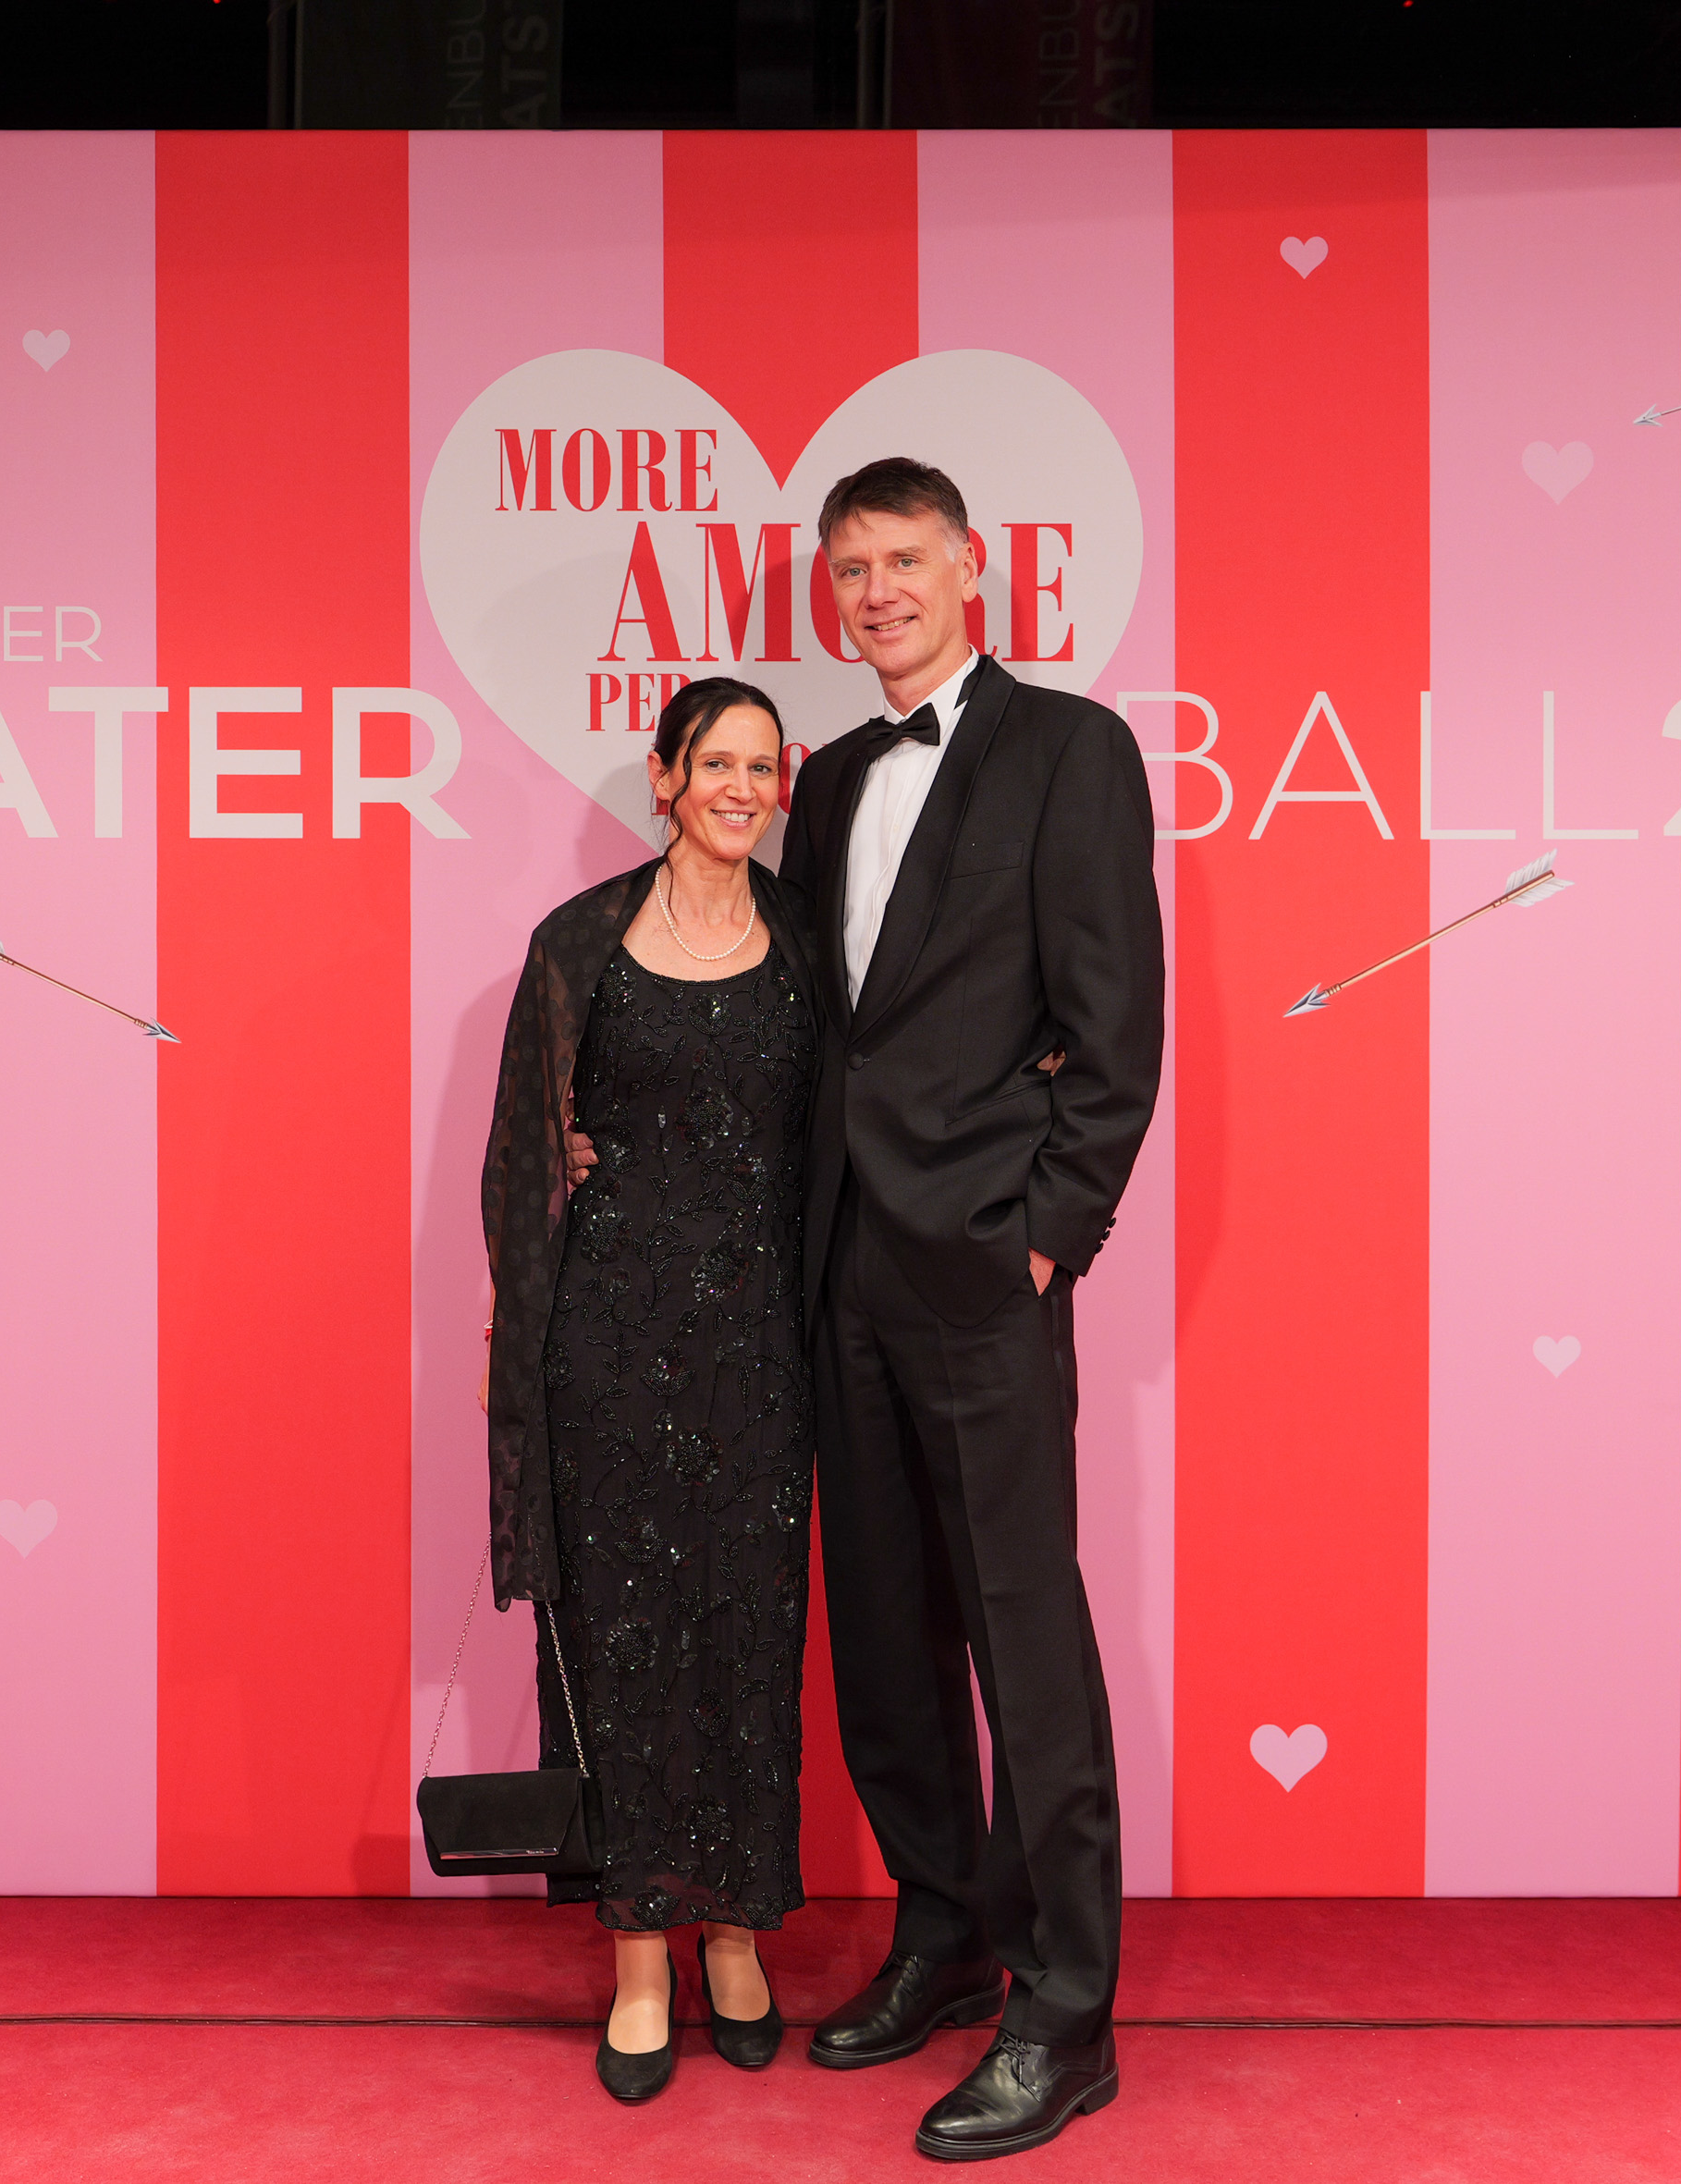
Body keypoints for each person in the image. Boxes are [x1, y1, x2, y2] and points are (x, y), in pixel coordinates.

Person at [781, 458, 1163, 2161]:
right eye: (848, 568)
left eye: (901, 560)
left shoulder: (1069, 749)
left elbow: (1116, 1017)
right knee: (882, 1628)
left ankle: (1064, 2006)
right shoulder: (830, 777)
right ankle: (938, 1932)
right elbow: (822, 1028)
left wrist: (1047, 1236)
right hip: (838, 1266)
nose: (874, 591)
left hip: (981, 1262)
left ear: (968, 571)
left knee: (1023, 1634)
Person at [479, 678, 823, 2104]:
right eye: (714, 762)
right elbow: (518, 1166)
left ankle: (733, 1932)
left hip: (763, 1355)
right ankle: (637, 1955)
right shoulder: (577, 942)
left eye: (761, 767)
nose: (740, 787)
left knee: (746, 1640)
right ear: (663, 775)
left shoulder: (809, 944)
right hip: (607, 1354)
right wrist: (521, 1359)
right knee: (620, 1654)